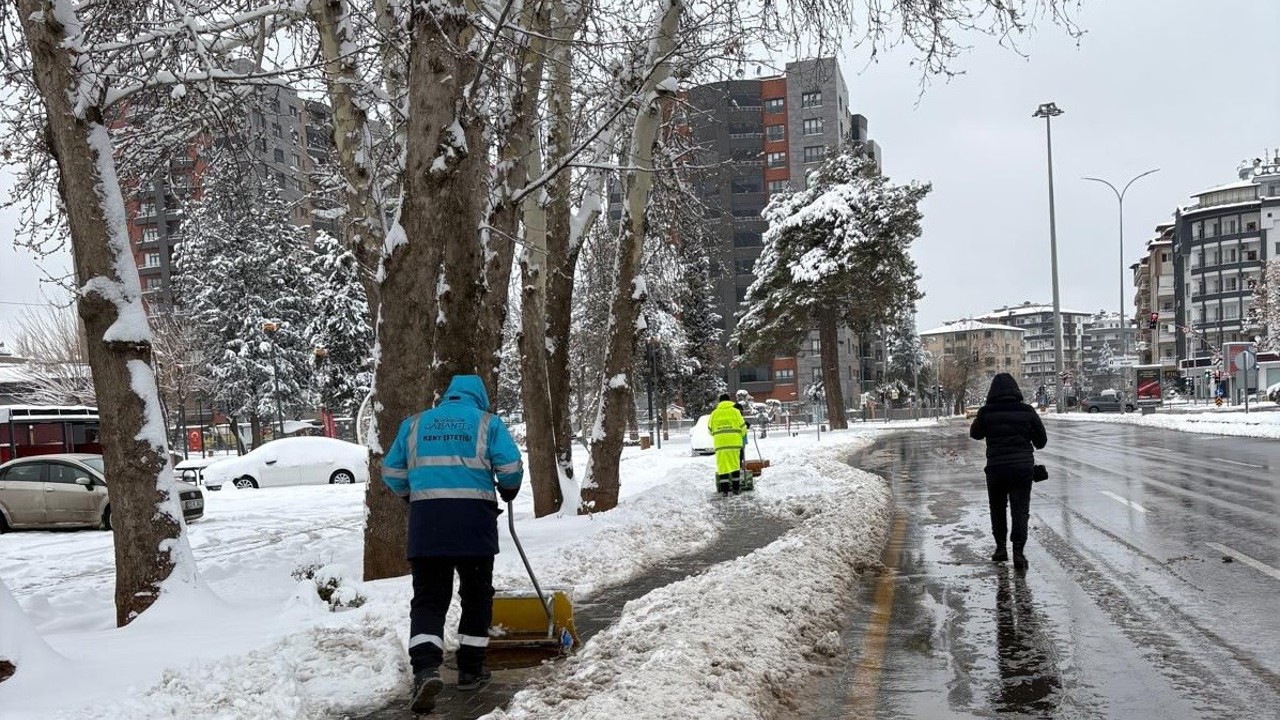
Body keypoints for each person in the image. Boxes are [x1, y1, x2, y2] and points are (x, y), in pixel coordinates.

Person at [382, 374, 524, 713]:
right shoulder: (487, 423)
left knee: (429, 599)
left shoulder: (414, 424)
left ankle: (427, 669)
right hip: (473, 522)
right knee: (476, 594)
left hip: (427, 523)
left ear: (447, 396)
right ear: (479, 398)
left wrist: (411, 496)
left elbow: (391, 471)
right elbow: (511, 466)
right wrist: (509, 489)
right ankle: (471, 670)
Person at [968, 373, 1047, 571]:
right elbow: (1041, 442)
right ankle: (1018, 552)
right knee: (1020, 510)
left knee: (997, 508)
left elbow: (975, 434)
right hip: (1022, 469)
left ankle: (1000, 548)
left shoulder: (986, 412)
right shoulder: (1027, 411)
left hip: (996, 469)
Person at [709, 393, 748, 496]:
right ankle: (736, 489)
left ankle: (725, 491)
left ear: (719, 402)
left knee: (723, 467)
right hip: (735, 444)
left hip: (720, 445)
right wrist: (740, 435)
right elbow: (743, 428)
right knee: (735, 465)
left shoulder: (714, 413)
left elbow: (709, 430)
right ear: (729, 400)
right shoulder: (735, 412)